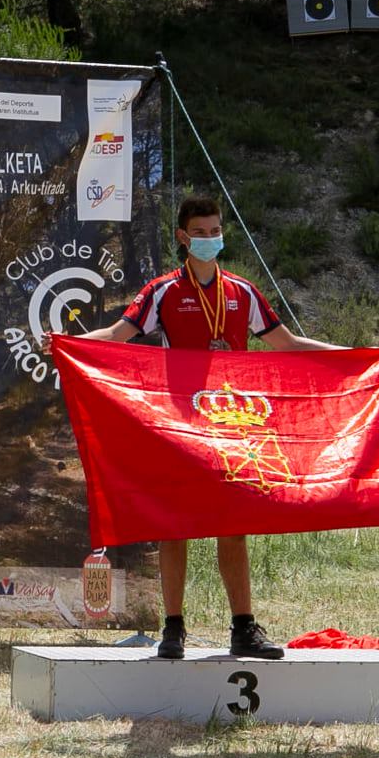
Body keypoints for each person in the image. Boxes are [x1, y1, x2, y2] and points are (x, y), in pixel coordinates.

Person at [44, 192, 338, 660]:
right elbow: (118, 336)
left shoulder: (243, 292)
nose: (209, 239)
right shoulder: (162, 291)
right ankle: (172, 628)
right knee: (174, 526)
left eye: (215, 231)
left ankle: (243, 627)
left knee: (233, 526)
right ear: (183, 238)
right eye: (199, 233)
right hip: (178, 424)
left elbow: (287, 342)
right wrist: (68, 342)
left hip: (232, 424)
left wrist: (348, 356)